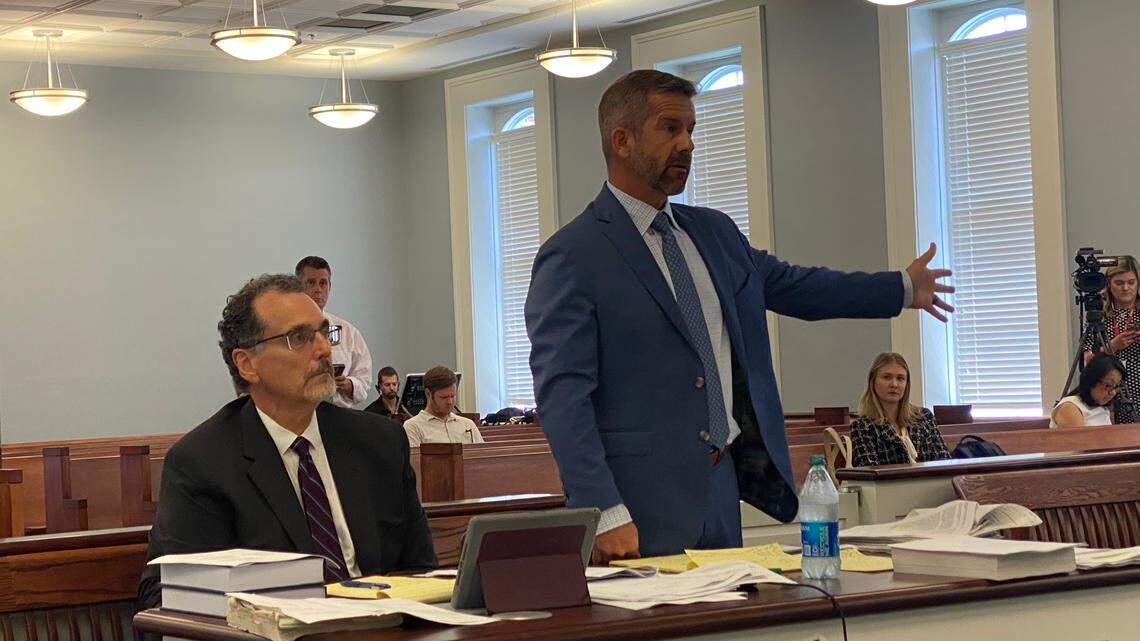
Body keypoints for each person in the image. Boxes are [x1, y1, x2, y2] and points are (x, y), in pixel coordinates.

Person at [525, 70, 953, 562]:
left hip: (721, 485)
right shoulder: (574, 254)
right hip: (637, 502)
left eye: (691, 130)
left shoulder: (714, 234)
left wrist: (900, 288)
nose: (687, 144)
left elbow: (795, 285)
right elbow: (564, 397)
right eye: (670, 128)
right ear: (622, 141)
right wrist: (602, 509)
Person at [138, 275, 435, 609]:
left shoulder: (380, 442)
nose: (324, 350)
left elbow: (422, 573)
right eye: (299, 337)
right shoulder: (203, 463)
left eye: (324, 332)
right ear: (247, 364)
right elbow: (167, 595)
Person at [296, 256, 372, 408]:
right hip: (298, 411)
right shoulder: (285, 330)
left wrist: (349, 384)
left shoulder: (348, 332)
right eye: (311, 282)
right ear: (298, 287)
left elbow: (364, 379)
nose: (318, 289)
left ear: (329, 287)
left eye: (323, 283)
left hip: (339, 412)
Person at [849, 353, 951, 467]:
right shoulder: (863, 426)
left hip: (931, 478)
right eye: (886, 377)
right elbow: (870, 471)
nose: (894, 384)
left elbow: (944, 462)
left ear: (907, 384)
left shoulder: (924, 417)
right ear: (873, 381)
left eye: (900, 378)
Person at [1083, 256, 1140, 423]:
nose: (1126, 288)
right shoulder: (1098, 316)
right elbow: (1087, 360)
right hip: (1109, 389)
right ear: (1108, 284)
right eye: (1119, 283)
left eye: (1131, 282)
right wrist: (1112, 346)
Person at [402, 366, 485, 447]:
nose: (449, 402)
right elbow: (414, 456)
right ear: (428, 394)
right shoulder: (413, 427)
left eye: (452, 396)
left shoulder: (468, 424)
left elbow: (482, 453)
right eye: (444, 397)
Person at [1051, 352, 1125, 428]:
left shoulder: (1102, 406)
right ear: (1092, 380)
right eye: (1108, 385)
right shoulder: (1070, 407)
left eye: (1116, 386)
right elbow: (1079, 436)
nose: (1113, 392)